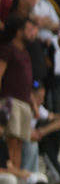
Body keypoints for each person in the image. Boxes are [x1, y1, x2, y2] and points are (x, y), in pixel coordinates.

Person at [0, 16, 38, 170]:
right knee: (12, 139)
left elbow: (27, 81)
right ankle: (10, 171)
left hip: (24, 101)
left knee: (21, 141)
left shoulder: (25, 53)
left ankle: (17, 174)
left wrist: (33, 104)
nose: (32, 33)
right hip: (11, 101)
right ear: (18, 32)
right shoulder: (8, 49)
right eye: (28, 30)